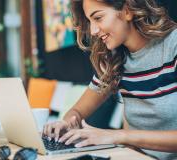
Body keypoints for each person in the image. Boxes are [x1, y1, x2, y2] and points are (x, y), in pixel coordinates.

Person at [43, 0, 177, 159]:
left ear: (127, 10)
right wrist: (64, 123)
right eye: (89, 21)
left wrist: (118, 135)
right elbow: (77, 112)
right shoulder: (115, 60)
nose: (92, 30)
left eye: (98, 18)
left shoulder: (172, 45)